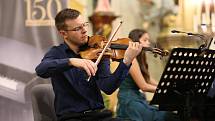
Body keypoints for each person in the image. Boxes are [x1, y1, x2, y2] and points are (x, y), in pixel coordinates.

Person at [35, 8, 143, 121]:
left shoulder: (98, 50)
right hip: (73, 117)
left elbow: (108, 87)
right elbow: (41, 70)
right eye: (78, 28)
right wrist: (71, 61)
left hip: (98, 115)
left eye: (84, 25)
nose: (84, 31)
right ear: (64, 33)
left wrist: (126, 61)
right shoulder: (57, 53)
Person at [116, 29, 180, 121]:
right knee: (168, 116)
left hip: (137, 99)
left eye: (148, 40)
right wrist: (164, 90)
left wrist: (165, 86)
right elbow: (144, 86)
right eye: (145, 40)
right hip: (130, 102)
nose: (148, 43)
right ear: (136, 42)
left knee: (170, 114)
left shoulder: (141, 57)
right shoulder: (131, 59)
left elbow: (148, 79)